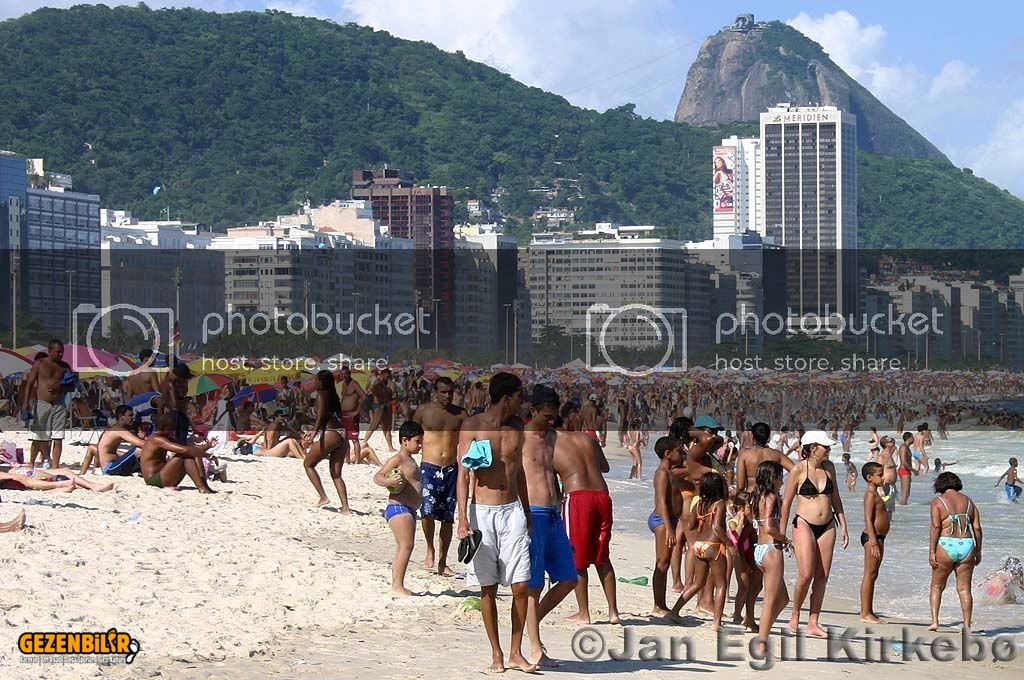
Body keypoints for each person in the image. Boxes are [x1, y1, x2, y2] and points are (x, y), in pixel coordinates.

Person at [455, 372, 536, 673]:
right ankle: (497, 653)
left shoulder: (517, 427)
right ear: (506, 398)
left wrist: (527, 512)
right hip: (482, 513)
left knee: (521, 586)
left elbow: (520, 473)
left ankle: (516, 651)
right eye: (519, 396)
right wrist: (462, 518)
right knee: (487, 588)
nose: (522, 402)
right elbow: (463, 475)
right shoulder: (472, 426)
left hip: (512, 510)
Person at [520, 385, 578, 667]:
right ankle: (535, 647)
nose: (550, 420)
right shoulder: (519, 437)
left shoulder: (553, 437)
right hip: (532, 514)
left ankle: (530, 622)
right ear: (533, 411)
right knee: (534, 585)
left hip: (555, 514)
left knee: (569, 578)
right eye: (546, 415)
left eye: (554, 416)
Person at [780, 430, 849, 638]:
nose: (828, 450)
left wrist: (844, 524)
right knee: (806, 574)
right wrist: (782, 533)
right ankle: (795, 613)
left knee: (822, 576)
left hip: (828, 525)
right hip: (804, 523)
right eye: (824, 446)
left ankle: (813, 622)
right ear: (812, 448)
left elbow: (835, 497)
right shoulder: (799, 470)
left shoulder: (830, 468)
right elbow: (786, 503)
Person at [553, 416, 621, 625]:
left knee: (578, 558)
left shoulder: (550, 444)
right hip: (602, 495)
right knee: (602, 557)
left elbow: (550, 482)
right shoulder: (587, 438)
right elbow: (605, 467)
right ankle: (613, 612)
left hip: (578, 498)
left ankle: (584, 612)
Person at [412, 376, 466, 576]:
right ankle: (430, 548)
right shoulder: (424, 411)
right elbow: (411, 433)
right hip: (429, 466)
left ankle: (443, 561)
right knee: (427, 512)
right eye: (443, 392)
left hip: (451, 468)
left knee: (447, 517)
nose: (447, 395)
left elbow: (468, 441)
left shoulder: (460, 414)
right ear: (435, 392)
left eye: (450, 392)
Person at [669, 472, 729, 630]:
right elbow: (717, 527)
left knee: (697, 583)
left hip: (698, 545)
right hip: (713, 546)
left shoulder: (699, 504)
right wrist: (730, 544)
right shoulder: (719, 504)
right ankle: (716, 622)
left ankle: (674, 611)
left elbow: (690, 525)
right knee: (722, 584)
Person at [373, 420, 424, 597]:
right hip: (398, 507)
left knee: (402, 547)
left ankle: (397, 583)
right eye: (417, 442)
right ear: (405, 441)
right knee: (406, 546)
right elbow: (378, 476)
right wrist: (389, 481)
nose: (420, 446)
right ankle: (397, 586)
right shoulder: (398, 459)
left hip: (408, 509)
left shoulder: (410, 460)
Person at [929, 472, 983, 632]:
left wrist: (932, 551)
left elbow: (936, 527)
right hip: (967, 544)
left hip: (946, 544)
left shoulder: (938, 502)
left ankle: (934, 622)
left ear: (939, 485)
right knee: (964, 588)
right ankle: (966, 625)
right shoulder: (968, 502)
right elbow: (977, 528)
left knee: (937, 586)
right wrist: (978, 550)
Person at [749, 461, 790, 660]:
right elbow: (769, 527)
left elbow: (755, 522)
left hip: (760, 550)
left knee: (783, 600)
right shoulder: (772, 497)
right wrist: (786, 539)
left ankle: (763, 634)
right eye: (780, 476)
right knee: (770, 601)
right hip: (772, 550)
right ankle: (761, 646)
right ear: (773, 477)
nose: (783, 480)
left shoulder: (757, 496)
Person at [301, 370, 351, 512]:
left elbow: (321, 416)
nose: (314, 382)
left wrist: (313, 434)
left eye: (316, 380)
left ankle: (323, 497)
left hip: (331, 434)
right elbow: (330, 417)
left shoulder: (321, 395)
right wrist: (315, 431)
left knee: (308, 464)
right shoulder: (333, 395)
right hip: (341, 433)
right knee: (336, 474)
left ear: (321, 382)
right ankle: (346, 508)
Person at [23, 340, 75, 469]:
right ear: (50, 351)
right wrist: (25, 403)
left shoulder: (65, 366)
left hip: (59, 404)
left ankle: (55, 466)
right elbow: (29, 383)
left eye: (62, 352)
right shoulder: (40, 364)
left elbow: (72, 386)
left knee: (58, 437)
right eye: (58, 352)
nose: (60, 354)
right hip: (42, 403)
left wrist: (60, 386)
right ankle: (31, 463)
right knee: (38, 436)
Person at [649, 436, 684, 616]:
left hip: (669, 520)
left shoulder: (671, 471)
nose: (682, 452)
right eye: (679, 450)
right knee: (662, 563)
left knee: (665, 563)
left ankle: (661, 603)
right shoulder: (662, 473)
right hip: (663, 521)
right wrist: (670, 528)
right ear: (668, 454)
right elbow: (662, 501)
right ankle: (658, 604)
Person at [138, 413, 216, 492]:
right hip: (154, 480)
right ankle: (201, 487)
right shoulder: (157, 439)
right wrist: (208, 456)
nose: (173, 431)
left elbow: (190, 448)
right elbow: (184, 450)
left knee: (193, 453)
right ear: (164, 428)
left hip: (164, 475)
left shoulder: (164, 437)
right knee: (186, 455)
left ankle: (204, 486)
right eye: (171, 428)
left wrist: (208, 445)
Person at [859, 462, 890, 624]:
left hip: (878, 537)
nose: (883, 476)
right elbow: (868, 519)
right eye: (879, 474)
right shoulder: (870, 494)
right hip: (873, 538)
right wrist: (873, 542)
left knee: (873, 574)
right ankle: (865, 612)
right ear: (869, 478)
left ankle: (869, 610)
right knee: (869, 574)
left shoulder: (876, 493)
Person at [78, 405, 147, 475]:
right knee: (138, 450)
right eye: (130, 415)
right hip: (110, 468)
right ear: (121, 416)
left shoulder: (112, 429)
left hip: (111, 466)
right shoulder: (119, 430)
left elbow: (100, 448)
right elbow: (141, 444)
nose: (133, 418)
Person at [735, 422, 794, 493]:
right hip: (771, 498)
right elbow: (795, 469)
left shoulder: (744, 455)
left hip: (751, 497)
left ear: (753, 437)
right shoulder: (777, 454)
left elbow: (740, 486)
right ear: (768, 437)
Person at [159, 363, 193, 445]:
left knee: (173, 440)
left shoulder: (165, 381)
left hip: (170, 413)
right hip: (176, 414)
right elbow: (174, 404)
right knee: (181, 441)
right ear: (180, 376)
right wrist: (186, 400)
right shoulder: (171, 383)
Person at [877, 436, 898, 515]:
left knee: (890, 510)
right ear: (885, 444)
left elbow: (895, 448)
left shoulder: (890, 454)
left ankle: (889, 527)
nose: (893, 441)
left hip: (892, 485)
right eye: (890, 440)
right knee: (884, 509)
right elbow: (878, 473)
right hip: (885, 486)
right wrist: (880, 488)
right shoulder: (882, 457)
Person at [897, 432, 915, 505]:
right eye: (912, 437)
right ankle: (903, 507)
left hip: (905, 470)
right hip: (904, 470)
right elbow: (904, 461)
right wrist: (913, 470)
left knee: (906, 493)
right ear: (909, 438)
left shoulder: (906, 447)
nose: (913, 439)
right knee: (905, 493)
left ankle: (903, 507)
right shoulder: (904, 447)